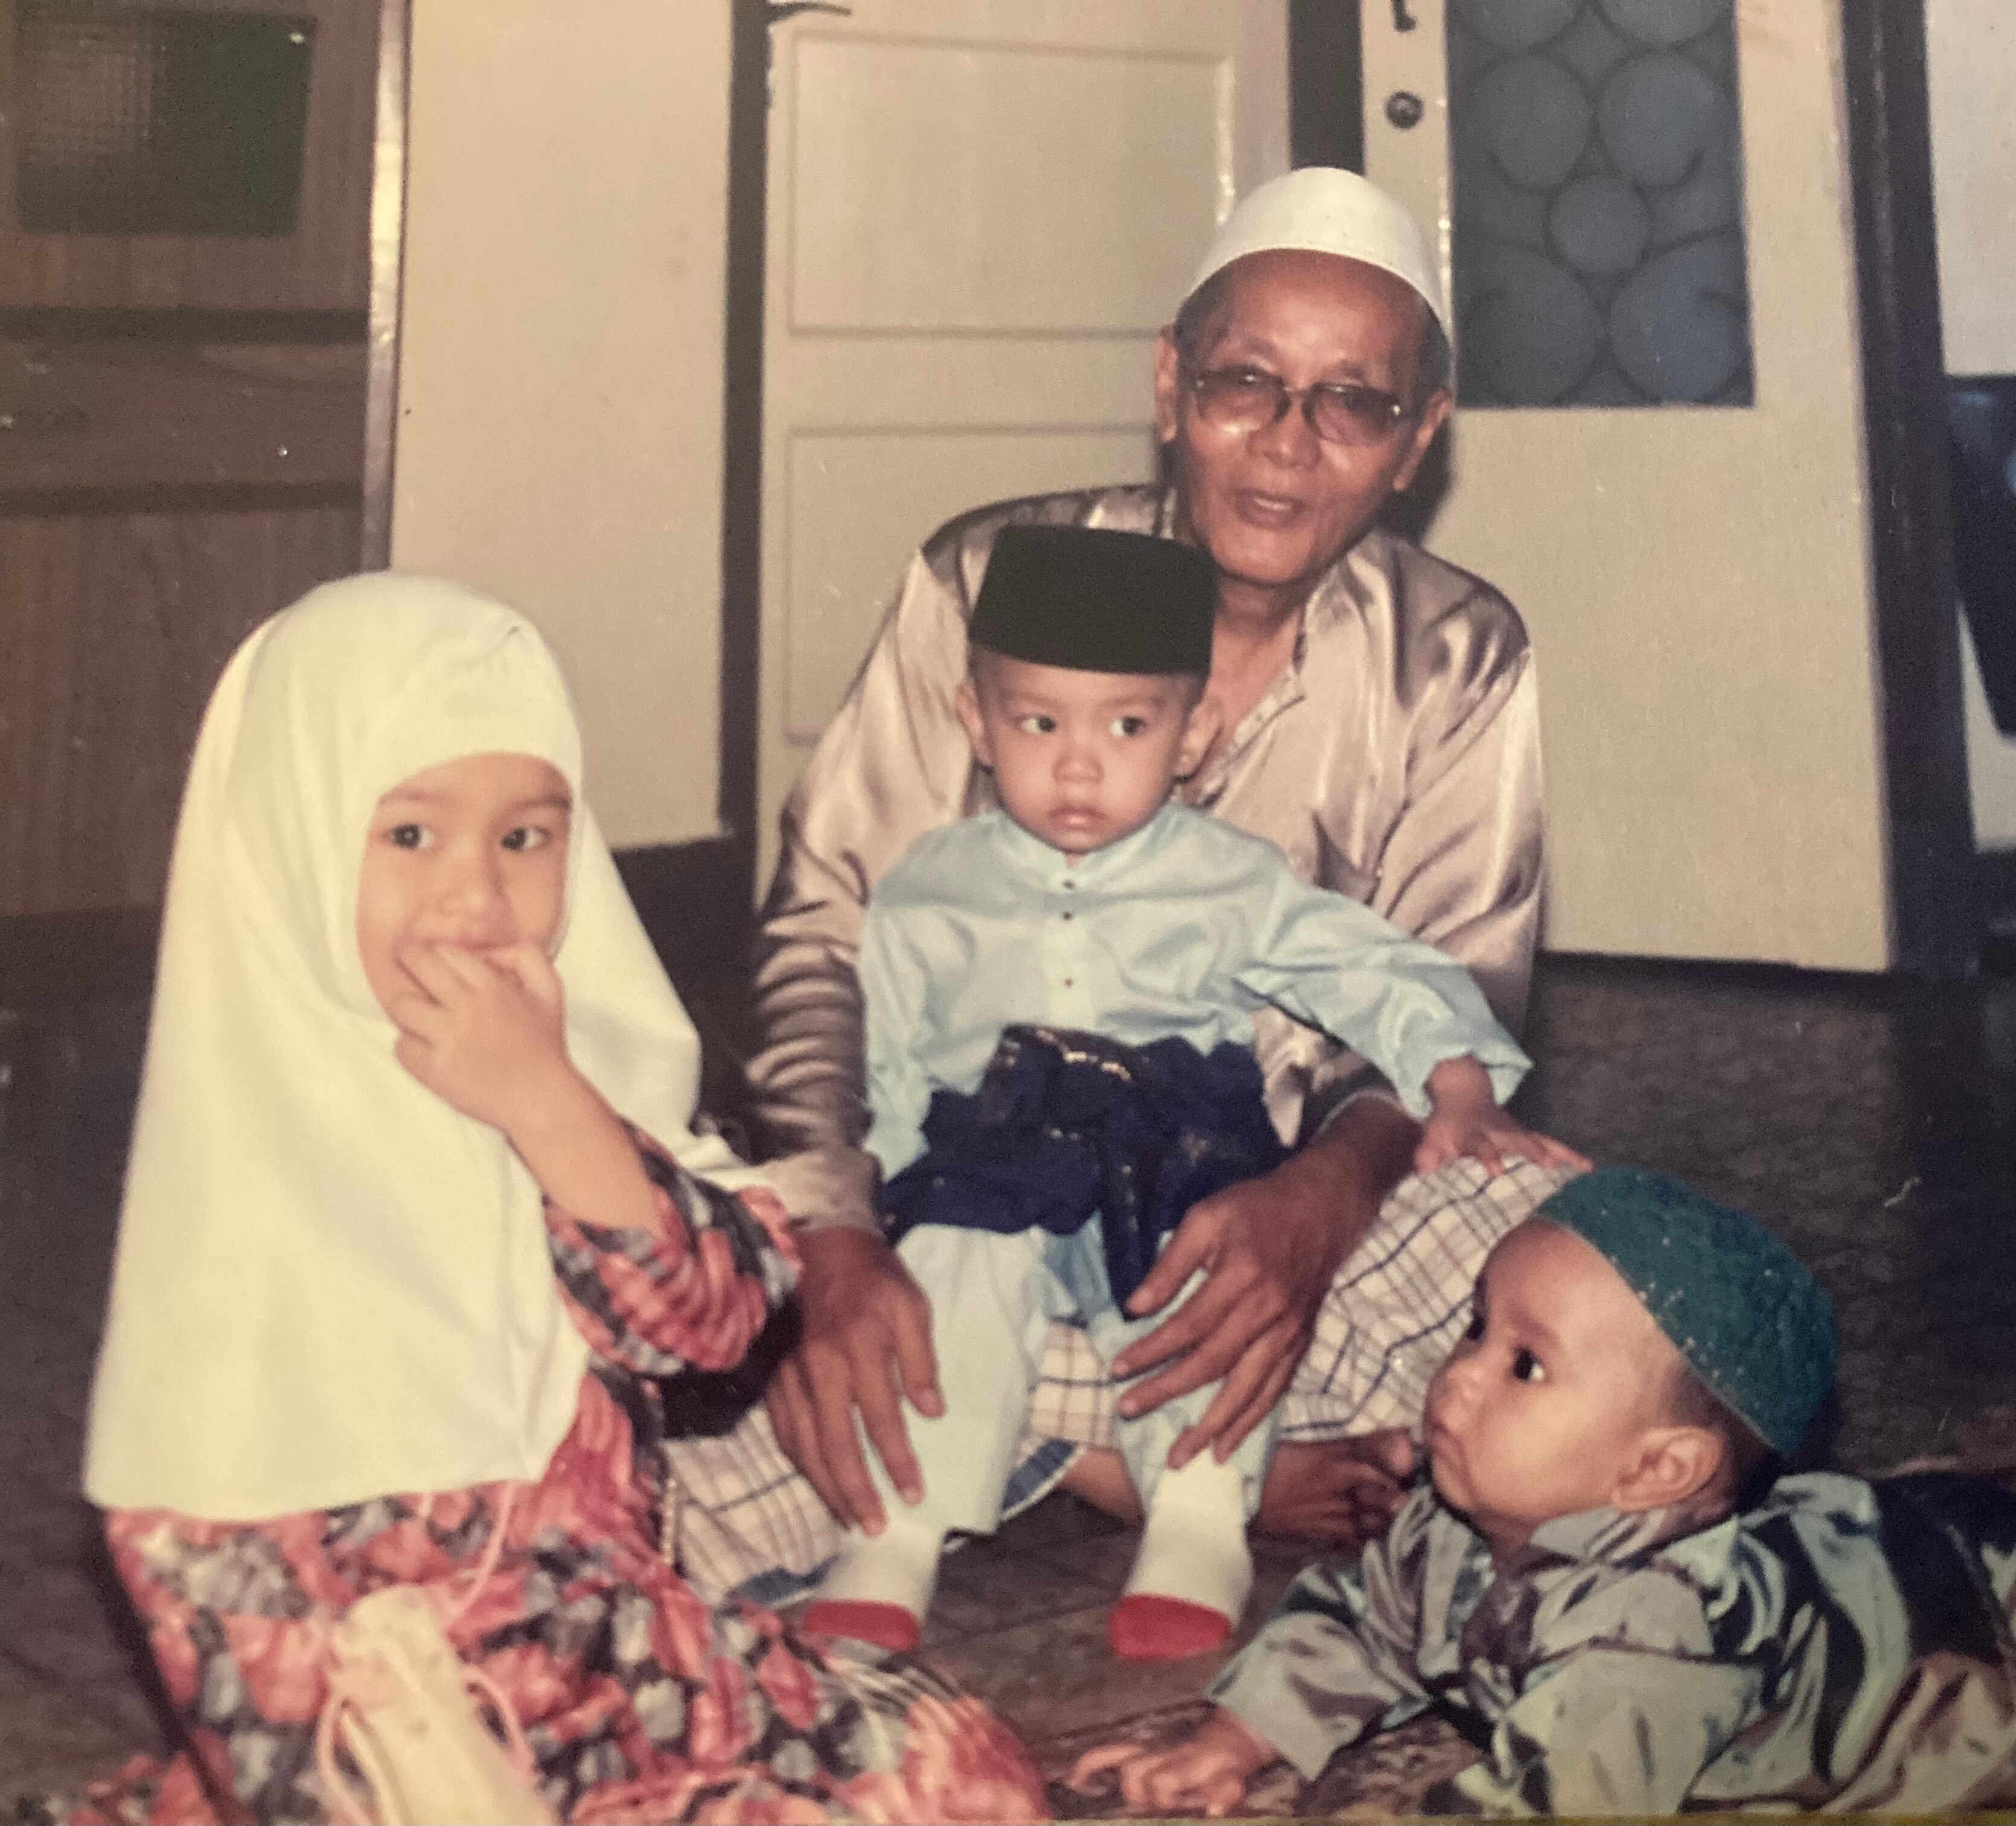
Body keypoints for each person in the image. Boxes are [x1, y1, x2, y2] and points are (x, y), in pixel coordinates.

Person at [665, 166, 1557, 1599]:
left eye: (1353, 402)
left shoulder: (1456, 655)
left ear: (1417, 438)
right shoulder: (985, 584)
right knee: (671, 1217)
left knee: (1548, 1231)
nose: (1284, 445)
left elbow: (1448, 994)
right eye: (1244, 384)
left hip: (1232, 1217)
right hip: (951, 1181)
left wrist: (1320, 1206)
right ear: (1168, 385)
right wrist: (833, 1239)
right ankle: (1163, 1460)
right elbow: (825, 935)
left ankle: (1049, 1432)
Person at [34, 576, 1045, 1826]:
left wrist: (552, 1107)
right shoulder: (239, 1209)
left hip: (631, 1684)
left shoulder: (560, 1068)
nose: (476, 897)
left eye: (525, 837)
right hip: (390, 1746)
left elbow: (717, 1324)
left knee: (960, 1773)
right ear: (289, 845)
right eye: (408, 837)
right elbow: (260, 1673)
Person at [798, 522, 1580, 1664]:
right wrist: (868, 1204)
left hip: (1173, 1148)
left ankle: (1198, 1518)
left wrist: (1457, 1084)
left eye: (1127, 726)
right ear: (975, 722)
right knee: (947, 1276)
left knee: (1201, 1279)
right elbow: (892, 1063)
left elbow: (1367, 968)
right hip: (996, 1157)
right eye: (1037, 723)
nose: (1078, 764)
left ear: (1192, 734)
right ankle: (898, 1527)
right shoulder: (926, 889)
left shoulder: (1229, 880)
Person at [1069, 1167, 2016, 1818]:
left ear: (1653, 1473)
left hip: (1971, 1635)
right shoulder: (1446, 1527)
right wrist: (1230, 1742)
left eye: (1524, 1364)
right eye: (1476, 1327)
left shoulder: (1656, 1631)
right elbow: (1361, 1627)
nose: (1461, 1375)